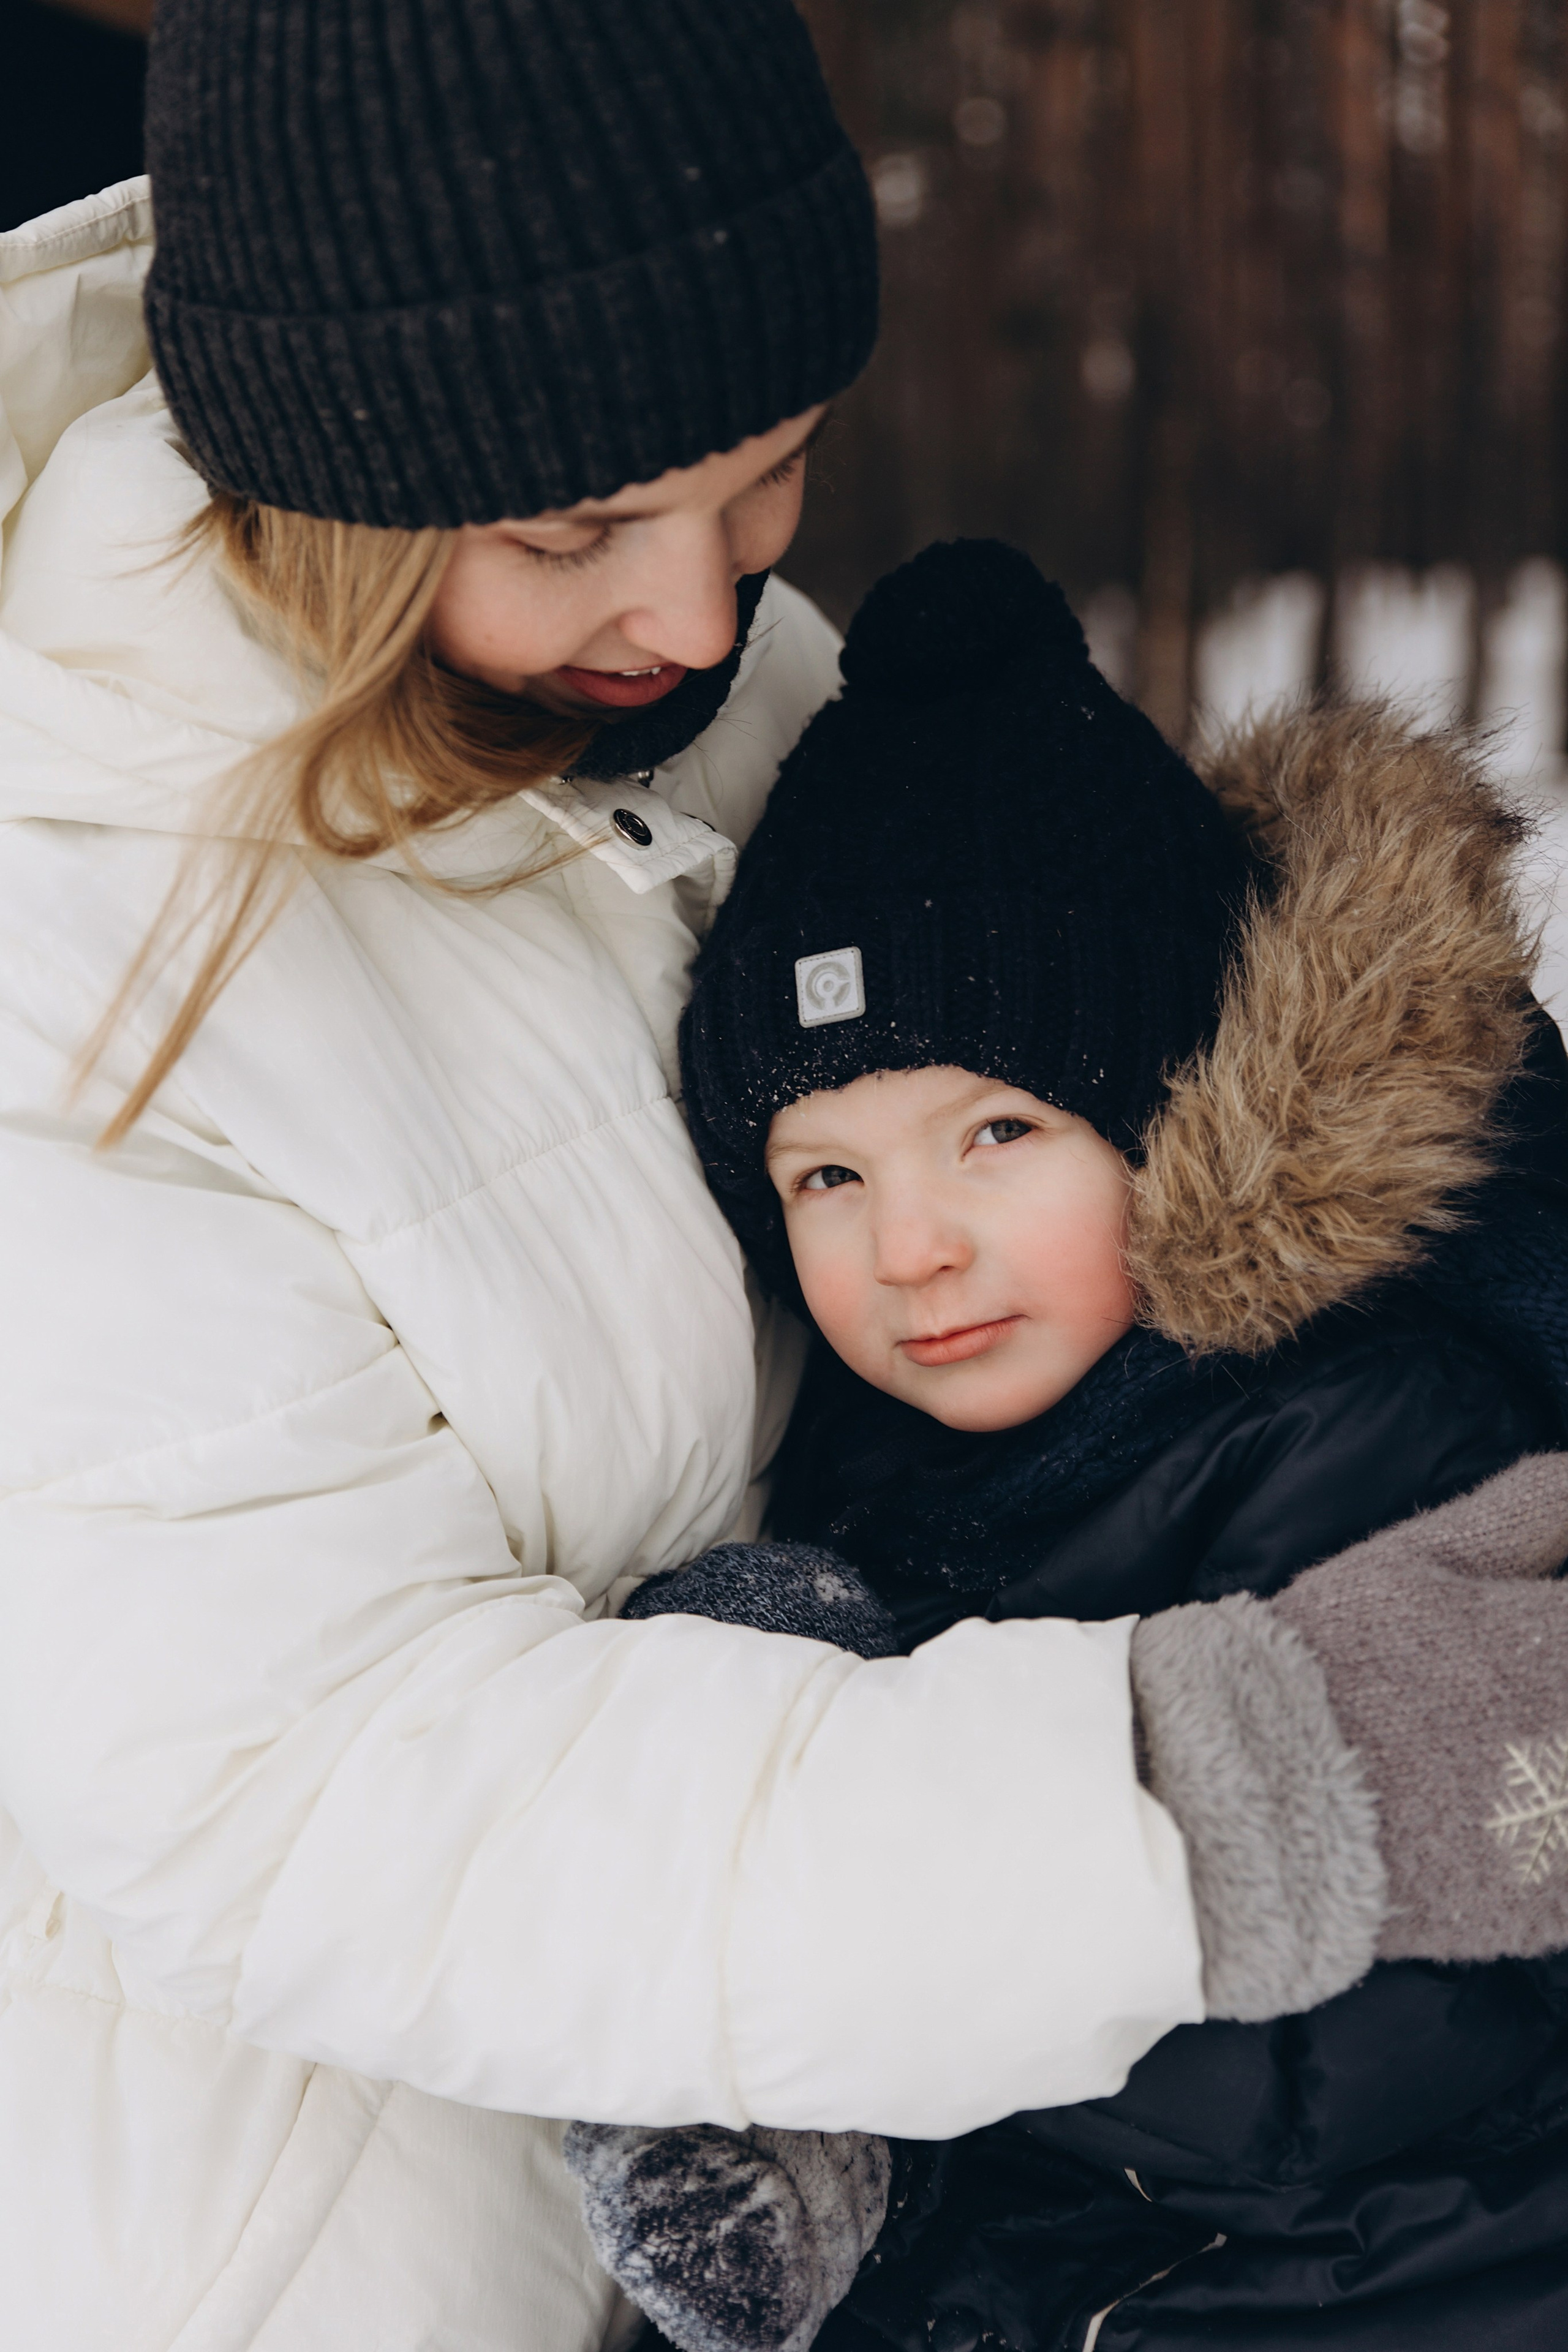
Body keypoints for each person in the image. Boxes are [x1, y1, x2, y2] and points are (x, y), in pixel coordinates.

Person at [0, 6, 1558, 2343]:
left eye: (770, 476)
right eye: (575, 528)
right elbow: (315, 1799)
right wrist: (1225, 1792)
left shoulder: (717, 698)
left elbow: (1111, 1059)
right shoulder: (69, 948)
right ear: (331, 485)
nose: (703, 613)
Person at [568, 540, 1568, 2352]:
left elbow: (1330, 2065)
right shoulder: (887, 1469)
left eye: (1000, 1131)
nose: (911, 1244)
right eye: (830, 1175)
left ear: (1176, 1109)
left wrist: (850, 1858)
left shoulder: (1375, 1427)